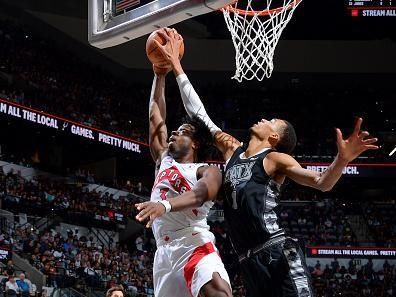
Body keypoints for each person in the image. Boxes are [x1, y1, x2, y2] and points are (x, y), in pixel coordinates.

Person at [153, 28, 379, 297]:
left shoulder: (273, 158)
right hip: (248, 261)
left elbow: (322, 183)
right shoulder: (232, 150)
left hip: (276, 250)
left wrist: (341, 160)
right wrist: (176, 65)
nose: (264, 118)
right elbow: (199, 114)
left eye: (271, 121)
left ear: (274, 136)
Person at [134, 29, 232, 297]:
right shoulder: (163, 159)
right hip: (163, 255)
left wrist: (163, 205)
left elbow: (201, 194)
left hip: (193, 243)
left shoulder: (206, 170)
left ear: (196, 143)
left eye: (183, 132)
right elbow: (156, 117)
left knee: (217, 293)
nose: (175, 133)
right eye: (175, 131)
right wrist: (159, 74)